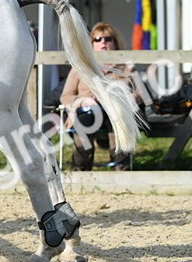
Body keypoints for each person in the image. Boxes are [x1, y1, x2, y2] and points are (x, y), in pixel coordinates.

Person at [59, 22, 139, 171]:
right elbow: (66, 96)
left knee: (118, 116)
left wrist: (122, 100)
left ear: (115, 43)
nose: (103, 43)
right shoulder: (81, 67)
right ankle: (80, 170)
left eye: (108, 39)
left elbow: (140, 94)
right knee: (85, 120)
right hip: (88, 112)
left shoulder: (126, 67)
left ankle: (121, 169)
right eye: (98, 39)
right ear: (92, 44)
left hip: (116, 114)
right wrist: (82, 100)